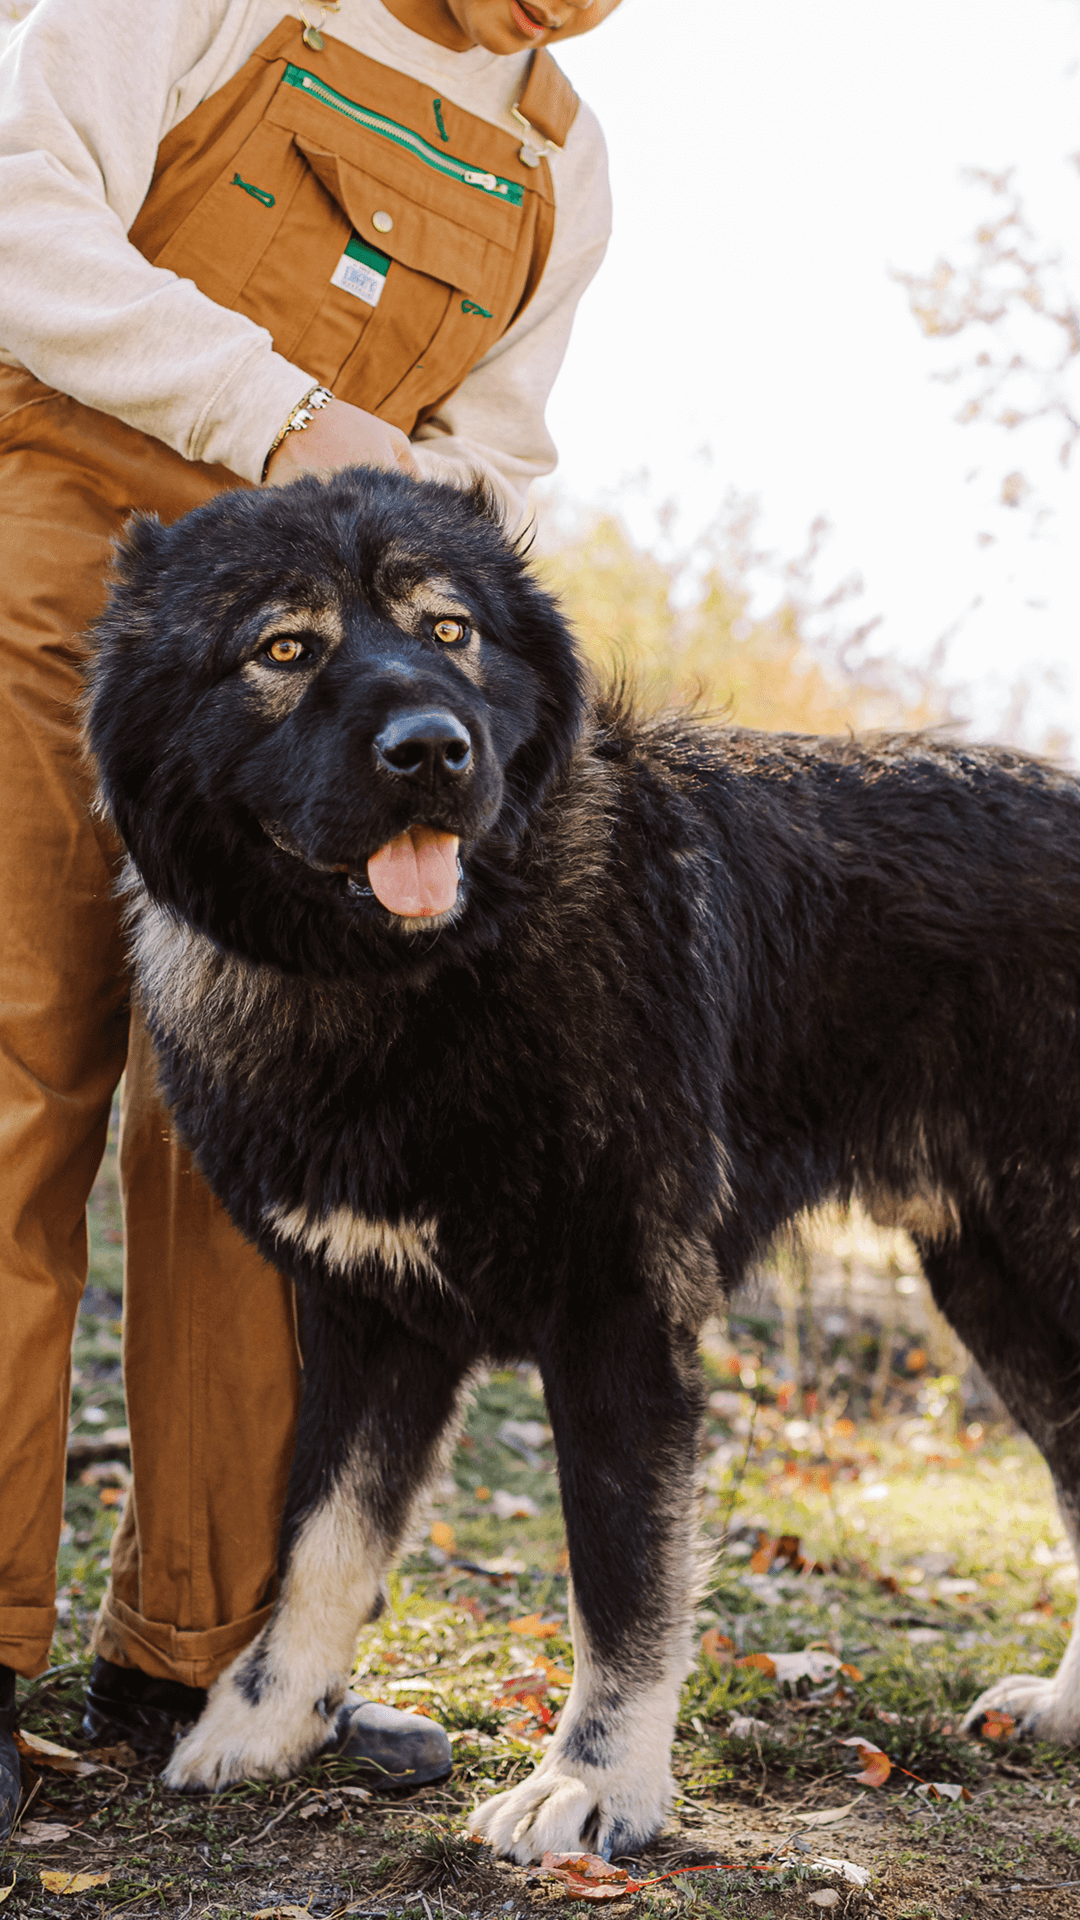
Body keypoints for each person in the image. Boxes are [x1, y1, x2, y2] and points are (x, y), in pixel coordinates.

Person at [0, 0, 620, 1836]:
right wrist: (279, 415)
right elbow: (17, 210)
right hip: (59, 572)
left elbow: (495, 462)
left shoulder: (558, 152)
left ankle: (205, 1652)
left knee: (261, 1149)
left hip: (331, 693)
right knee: (18, 1091)